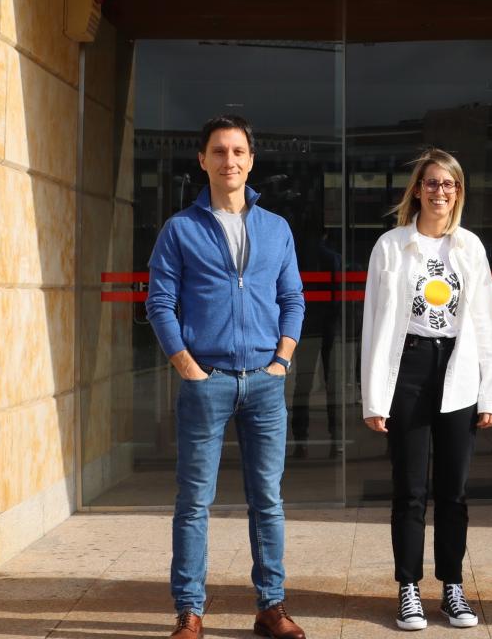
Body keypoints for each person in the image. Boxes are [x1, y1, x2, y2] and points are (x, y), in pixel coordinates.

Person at [146, 116, 307, 639]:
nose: (229, 160)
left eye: (238, 151)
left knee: (268, 500)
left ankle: (271, 606)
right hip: (207, 380)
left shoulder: (276, 228)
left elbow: (293, 300)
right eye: (219, 151)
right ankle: (189, 610)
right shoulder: (181, 229)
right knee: (194, 502)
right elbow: (160, 303)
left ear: (251, 160)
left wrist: (281, 360)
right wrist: (188, 368)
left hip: (264, 381)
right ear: (203, 160)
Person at [361, 147, 492, 631]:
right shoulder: (391, 246)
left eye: (450, 184)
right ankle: (408, 588)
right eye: (432, 183)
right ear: (417, 190)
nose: (440, 191)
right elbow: (375, 326)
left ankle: (452, 587)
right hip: (410, 368)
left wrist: (490, 394)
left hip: (459, 367)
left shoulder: (470, 247)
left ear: (458, 192)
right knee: (410, 489)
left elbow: (487, 323)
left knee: (454, 490)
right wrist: (374, 397)